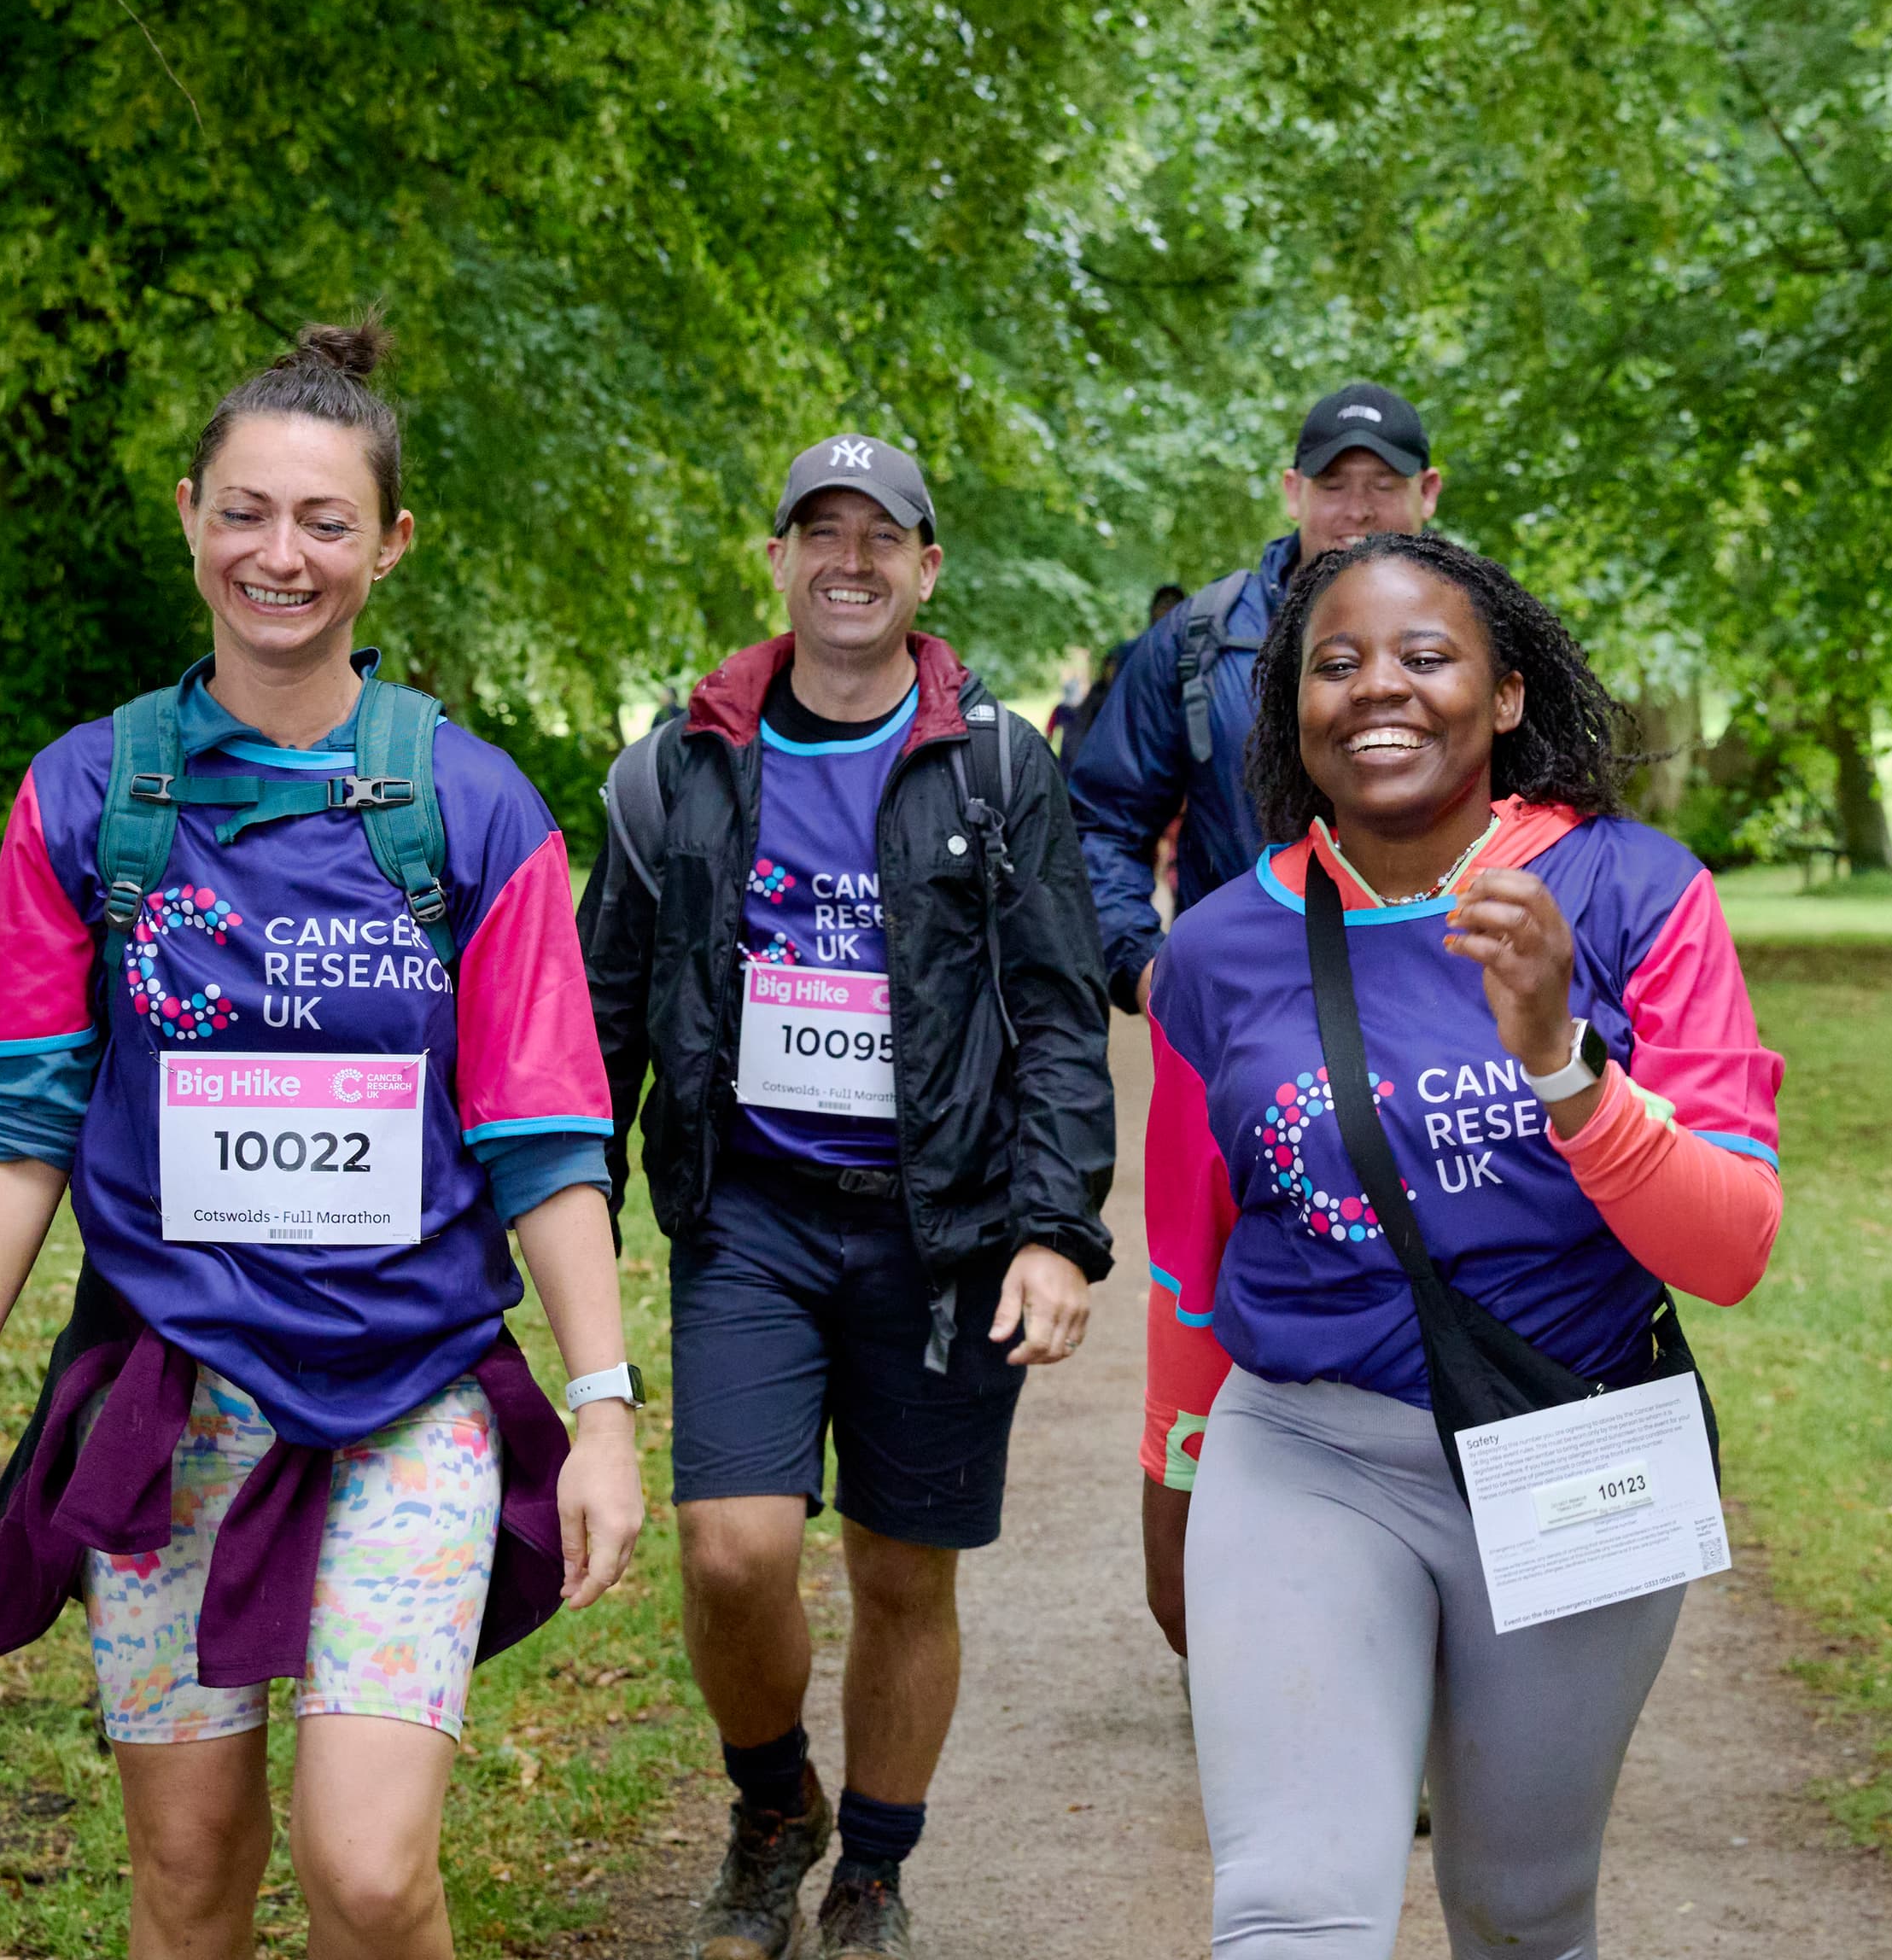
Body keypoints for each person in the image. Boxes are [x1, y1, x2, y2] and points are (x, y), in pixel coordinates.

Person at [0, 324, 647, 1960]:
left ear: (391, 543)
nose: (278, 554)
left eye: (323, 520)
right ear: (188, 516)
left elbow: (546, 1134)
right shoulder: (87, 801)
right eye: (243, 512)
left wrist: (601, 1410)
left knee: (365, 1874)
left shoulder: (473, 808)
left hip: (408, 1404)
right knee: (188, 1881)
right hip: (169, 1410)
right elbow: (22, 1128)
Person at [1137, 532, 1783, 1959]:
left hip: (1575, 1445)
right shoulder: (1219, 951)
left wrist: (1565, 1061)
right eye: (1336, 662)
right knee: (1291, 1910)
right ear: (1292, 708)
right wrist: (1171, 1483)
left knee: (1523, 1910)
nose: (1380, 690)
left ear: (1501, 697)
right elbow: (1193, 1256)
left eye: (1427, 658)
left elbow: (1732, 1246)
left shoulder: (1636, 893)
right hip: (1304, 1454)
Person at [580, 434, 1117, 1960]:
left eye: (883, 535)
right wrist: (556, 1208)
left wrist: (1054, 1227)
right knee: (733, 1547)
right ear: (777, 561)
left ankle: (872, 1872)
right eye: (821, 530)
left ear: (927, 569)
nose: (851, 558)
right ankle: (773, 1811)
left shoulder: (999, 769)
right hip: (751, 1213)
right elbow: (605, 1010)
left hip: (938, 1229)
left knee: (899, 1567)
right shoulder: (676, 771)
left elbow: (1063, 1015)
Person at [1067, 382, 1442, 1018]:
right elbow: (1101, 824)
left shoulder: (1484, 638)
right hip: (1243, 1018)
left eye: (1382, 483)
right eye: (1333, 484)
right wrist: (1143, 969)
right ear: (1293, 490)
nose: (1358, 510)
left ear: (1427, 492)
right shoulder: (1200, 641)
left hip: (1432, 1013)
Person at [1050, 580, 1185, 769]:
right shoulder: (1125, 655)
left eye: (1176, 605)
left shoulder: (1193, 658)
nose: (1170, 611)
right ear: (1153, 610)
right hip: (1127, 755)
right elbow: (1100, 707)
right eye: (1165, 604)